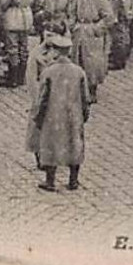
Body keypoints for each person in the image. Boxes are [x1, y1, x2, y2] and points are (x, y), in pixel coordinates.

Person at [27, 33, 90, 192]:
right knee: (74, 144)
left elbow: (43, 98)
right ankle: (73, 181)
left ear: (55, 51)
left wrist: (38, 117)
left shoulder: (49, 72)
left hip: (52, 116)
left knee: (51, 145)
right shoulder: (79, 72)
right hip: (74, 115)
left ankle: (50, 181)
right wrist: (84, 115)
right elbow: (85, 98)